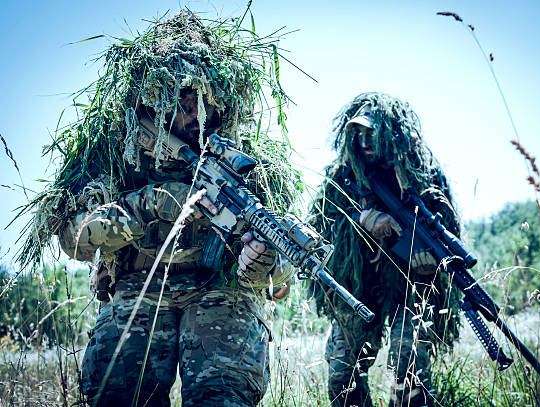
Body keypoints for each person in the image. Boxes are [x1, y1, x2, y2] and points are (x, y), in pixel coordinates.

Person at [21, 10, 298, 407]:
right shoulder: (118, 151)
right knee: (119, 395)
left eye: (200, 101)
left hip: (218, 290)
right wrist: (149, 204)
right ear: (152, 99)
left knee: (222, 396)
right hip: (140, 284)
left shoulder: (244, 161)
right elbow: (74, 238)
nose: (191, 113)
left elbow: (281, 269)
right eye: (179, 100)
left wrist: (261, 264)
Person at [309, 92, 462, 407]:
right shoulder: (342, 176)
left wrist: (430, 265)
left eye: (373, 133)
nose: (365, 141)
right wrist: (361, 219)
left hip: (411, 287)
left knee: (411, 371)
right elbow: (320, 227)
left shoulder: (423, 175)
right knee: (342, 372)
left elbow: (446, 231)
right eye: (359, 133)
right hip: (357, 285)